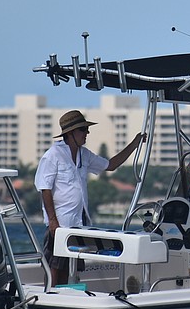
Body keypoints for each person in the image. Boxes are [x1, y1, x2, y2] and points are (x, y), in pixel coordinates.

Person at [34, 109, 145, 285]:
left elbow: (111, 165)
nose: (87, 133)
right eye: (83, 129)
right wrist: (53, 221)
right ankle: (51, 297)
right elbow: (44, 188)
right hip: (61, 223)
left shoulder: (84, 154)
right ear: (70, 134)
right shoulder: (52, 155)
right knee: (55, 267)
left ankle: (66, 298)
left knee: (72, 267)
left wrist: (135, 143)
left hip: (78, 222)